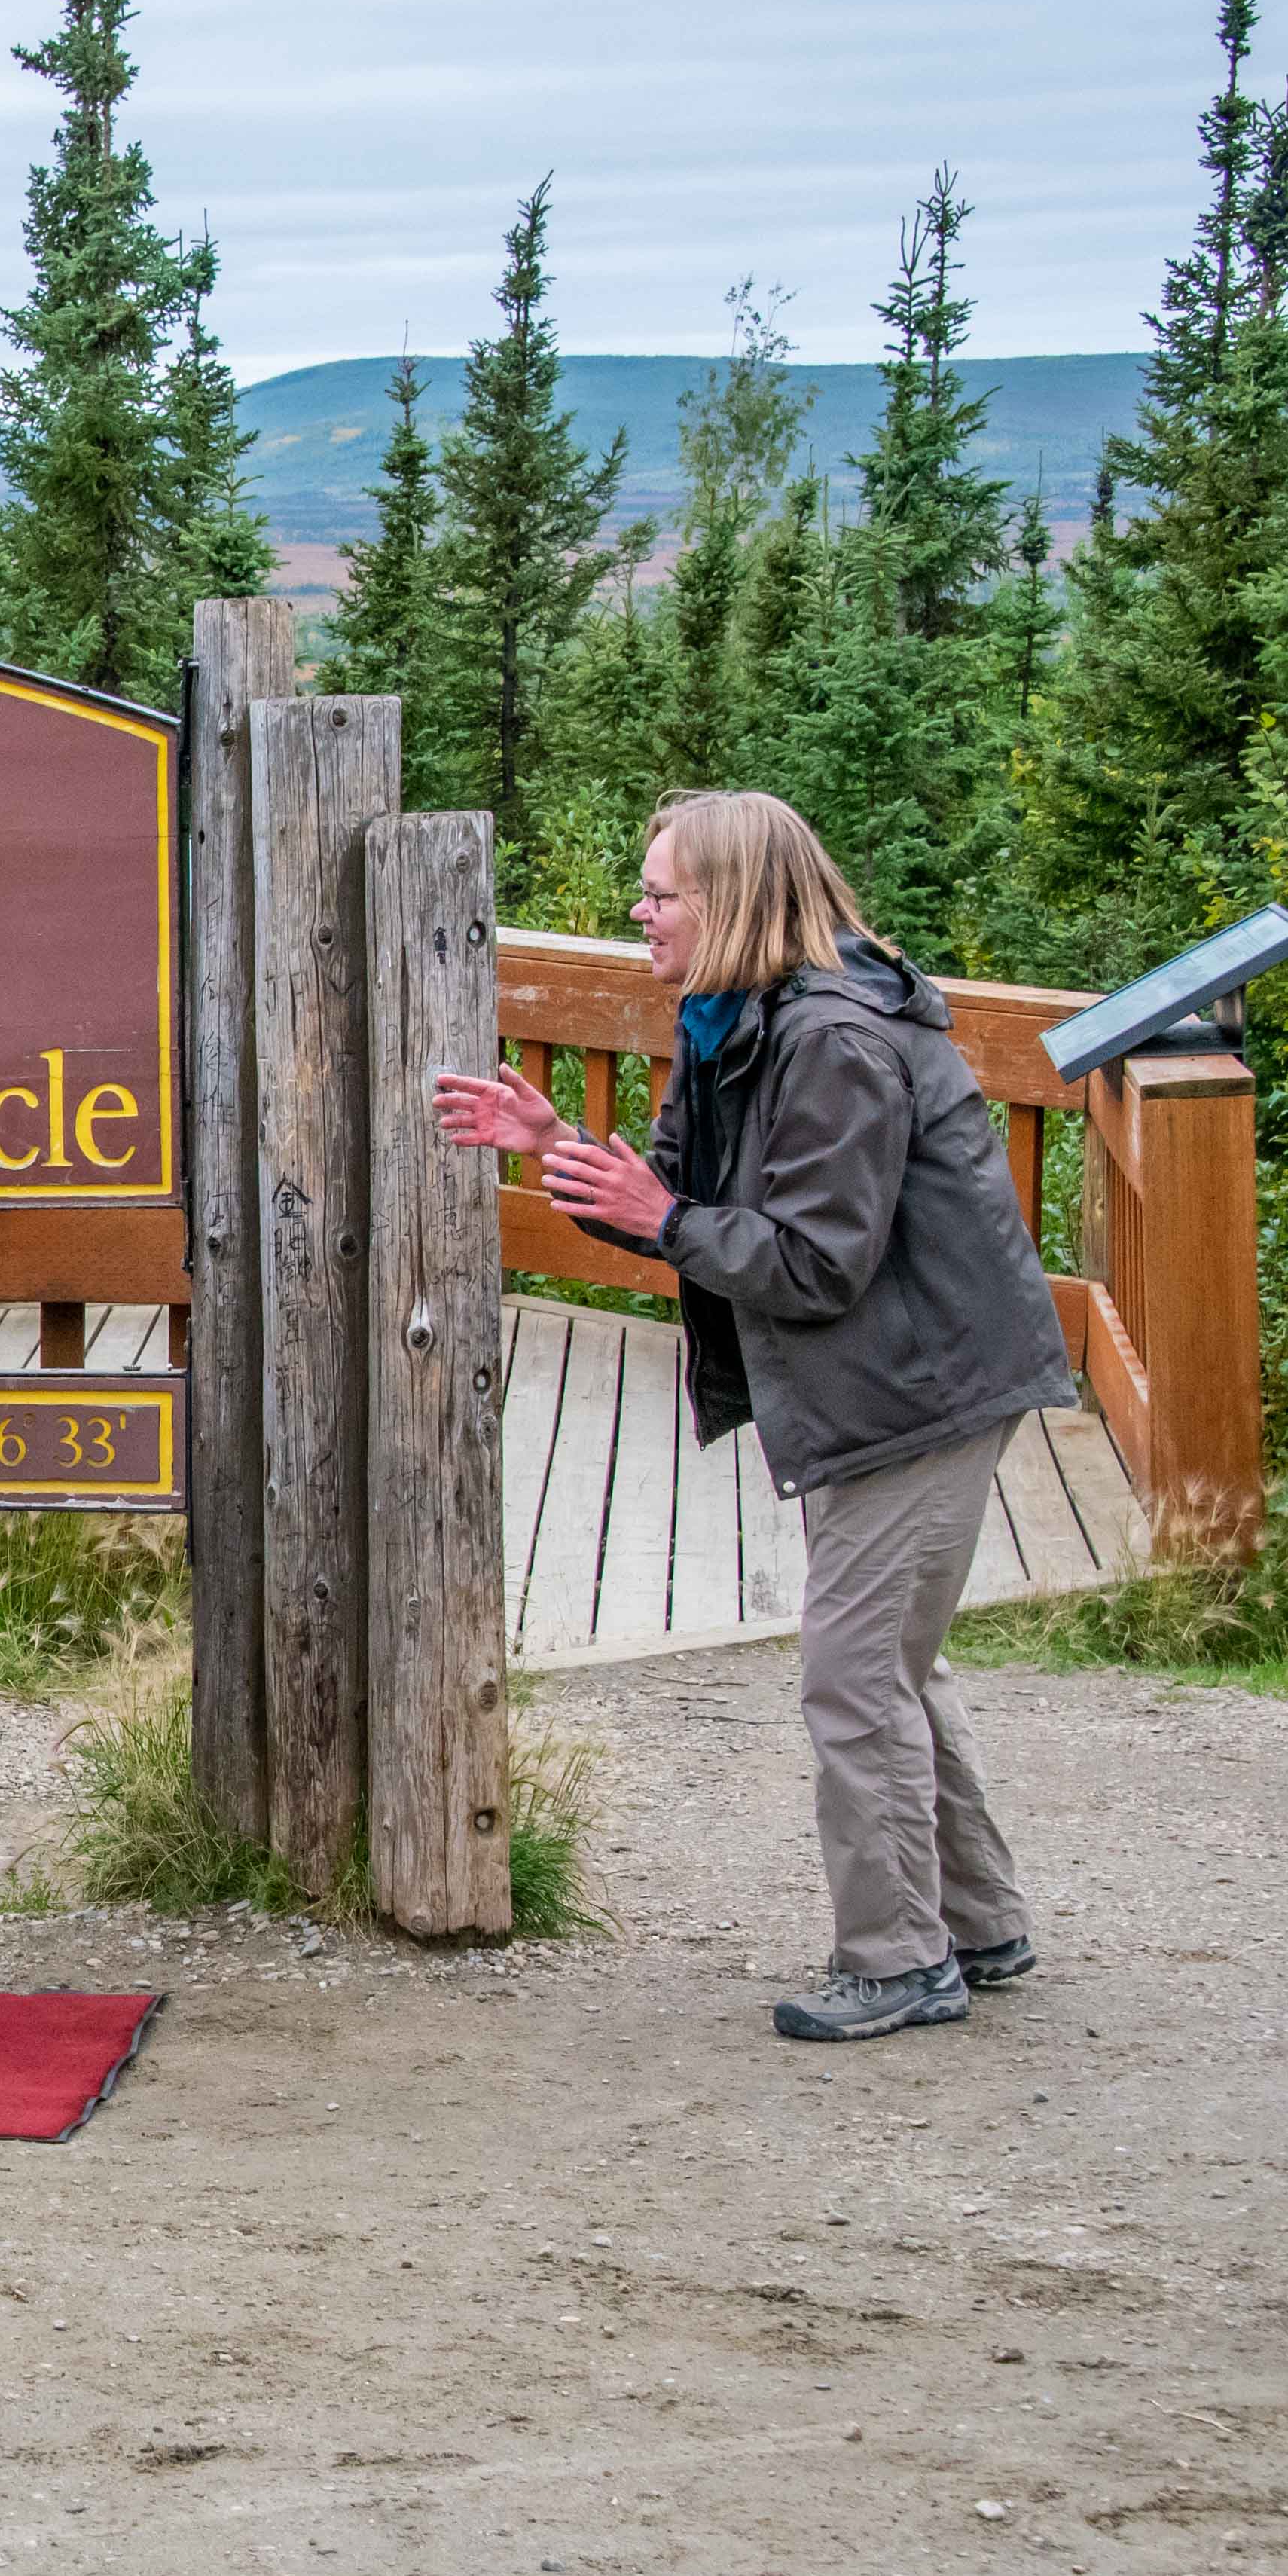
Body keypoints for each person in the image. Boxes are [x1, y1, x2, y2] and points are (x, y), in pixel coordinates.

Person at [434, 787, 1071, 2044]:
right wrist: (560, 1145)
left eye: (661, 892)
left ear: (731, 903)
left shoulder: (831, 1039)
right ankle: (978, 1927)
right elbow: (680, 1198)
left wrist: (660, 1217)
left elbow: (817, 1259)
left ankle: (898, 1960)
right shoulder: (735, 1020)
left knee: (853, 1679)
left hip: (920, 1389)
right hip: (896, 1383)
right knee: (892, 1666)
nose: (641, 911)